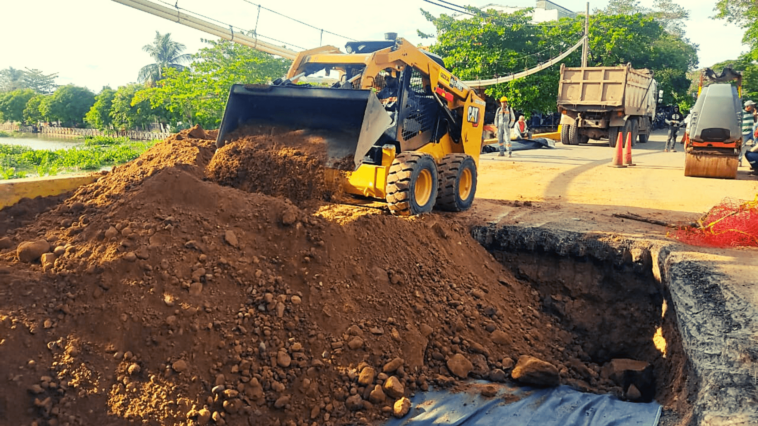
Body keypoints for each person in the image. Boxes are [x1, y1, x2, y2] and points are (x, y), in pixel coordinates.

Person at [740, 100, 757, 166]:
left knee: (756, 144)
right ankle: (739, 160)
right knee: (741, 146)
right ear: (747, 106)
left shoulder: (751, 112)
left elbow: (755, 121)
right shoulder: (742, 113)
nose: (753, 106)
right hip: (744, 133)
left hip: (751, 132)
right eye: (751, 105)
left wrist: (755, 115)